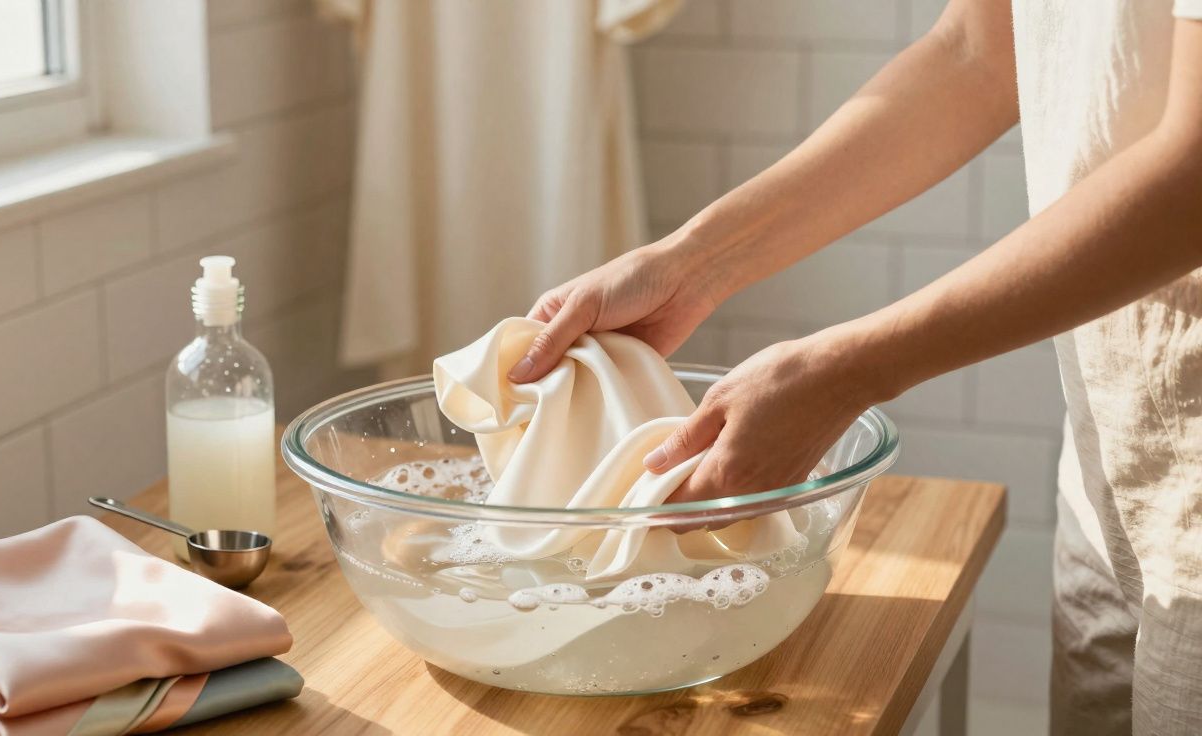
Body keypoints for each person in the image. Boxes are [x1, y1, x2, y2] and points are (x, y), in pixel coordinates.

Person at [508, 0, 1202, 733]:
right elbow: (978, 51)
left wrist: (847, 372)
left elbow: (1193, 178)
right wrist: (689, 265)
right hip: (1114, 467)